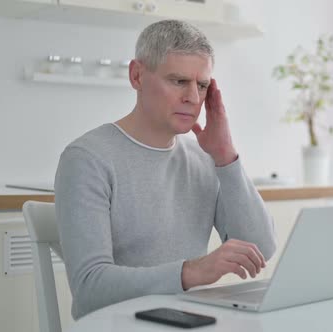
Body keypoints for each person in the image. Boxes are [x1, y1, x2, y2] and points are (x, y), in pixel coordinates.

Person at [54, 19, 277, 319]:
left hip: (186, 320)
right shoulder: (87, 158)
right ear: (137, 75)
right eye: (178, 81)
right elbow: (90, 288)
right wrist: (192, 272)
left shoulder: (205, 158)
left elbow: (260, 249)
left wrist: (226, 157)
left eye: (202, 85)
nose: (193, 98)